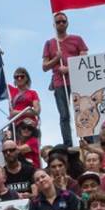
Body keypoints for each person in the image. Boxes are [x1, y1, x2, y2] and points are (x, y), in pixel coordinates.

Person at [41, 12, 86, 146]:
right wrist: (56, 59)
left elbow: (84, 58)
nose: (61, 24)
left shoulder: (77, 39)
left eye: (63, 21)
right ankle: (68, 143)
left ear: (67, 23)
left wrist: (69, 68)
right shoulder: (49, 43)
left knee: (83, 110)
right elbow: (44, 66)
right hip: (60, 83)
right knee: (64, 115)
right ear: (54, 24)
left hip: (77, 80)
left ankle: (87, 139)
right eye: (58, 22)